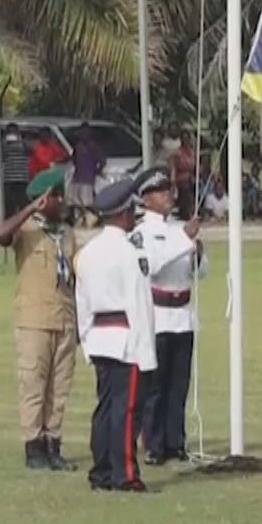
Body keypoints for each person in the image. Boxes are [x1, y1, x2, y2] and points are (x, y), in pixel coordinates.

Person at [0, 168, 79, 471]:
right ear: (44, 199)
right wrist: (30, 209)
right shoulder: (27, 230)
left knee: (59, 389)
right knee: (34, 386)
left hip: (65, 319)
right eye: (57, 196)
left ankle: (53, 444)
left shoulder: (67, 234)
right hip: (34, 320)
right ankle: (33, 447)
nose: (63, 200)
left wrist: (80, 325)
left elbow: (75, 278)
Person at [74, 178, 155, 492]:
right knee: (127, 410)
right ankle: (125, 474)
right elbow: (139, 304)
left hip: (99, 337)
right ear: (123, 214)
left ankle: (102, 470)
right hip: (126, 338)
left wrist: (87, 340)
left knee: (105, 407)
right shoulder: (130, 253)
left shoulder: (87, 252)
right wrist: (146, 354)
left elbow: (81, 302)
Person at [132, 167, 206, 464]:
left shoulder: (178, 229)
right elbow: (153, 265)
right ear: (146, 198)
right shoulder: (141, 233)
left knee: (178, 385)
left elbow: (200, 271)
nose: (167, 196)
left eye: (169, 190)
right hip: (158, 314)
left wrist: (197, 251)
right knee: (156, 386)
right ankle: (153, 443)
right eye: (160, 191)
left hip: (182, 314)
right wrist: (184, 240)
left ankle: (176, 441)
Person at [67, 125, 102, 222]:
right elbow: (74, 159)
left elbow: (102, 161)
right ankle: (77, 220)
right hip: (77, 178)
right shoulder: (77, 146)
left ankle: (91, 220)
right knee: (73, 202)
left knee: (87, 203)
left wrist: (95, 172)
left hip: (88, 179)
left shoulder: (94, 146)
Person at [170, 130, 200, 220]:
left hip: (191, 177)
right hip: (181, 178)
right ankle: (185, 213)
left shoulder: (191, 152)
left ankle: (194, 210)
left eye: (187, 138)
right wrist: (173, 181)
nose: (186, 140)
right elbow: (174, 167)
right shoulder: (177, 153)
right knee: (185, 190)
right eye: (184, 139)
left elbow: (195, 166)